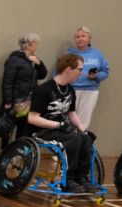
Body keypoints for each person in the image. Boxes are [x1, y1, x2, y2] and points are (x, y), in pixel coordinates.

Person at [29, 54, 98, 194]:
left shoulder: (70, 90)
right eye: (80, 69)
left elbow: (71, 113)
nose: (82, 73)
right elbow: (32, 118)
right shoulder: (44, 89)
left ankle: (82, 178)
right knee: (73, 140)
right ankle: (69, 180)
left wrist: (82, 128)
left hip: (61, 129)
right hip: (42, 131)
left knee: (84, 138)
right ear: (68, 69)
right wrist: (58, 125)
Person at [0, 33, 48, 148]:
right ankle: (6, 152)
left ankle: (19, 151)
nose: (37, 46)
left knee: (24, 127)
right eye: (35, 44)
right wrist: (7, 101)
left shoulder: (34, 59)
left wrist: (39, 64)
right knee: (9, 128)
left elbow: (42, 75)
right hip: (17, 100)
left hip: (30, 100)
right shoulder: (14, 60)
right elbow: (7, 82)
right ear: (28, 45)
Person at [68, 26, 110, 130]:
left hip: (90, 91)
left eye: (83, 36)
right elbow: (59, 71)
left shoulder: (97, 54)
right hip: (71, 90)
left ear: (89, 38)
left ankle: (81, 141)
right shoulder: (69, 53)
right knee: (68, 118)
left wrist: (96, 76)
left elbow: (105, 71)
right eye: (77, 36)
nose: (80, 38)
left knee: (83, 121)